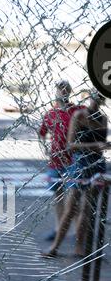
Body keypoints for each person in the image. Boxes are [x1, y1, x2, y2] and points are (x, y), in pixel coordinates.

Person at [42, 89, 108, 257]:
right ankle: (55, 247)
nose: (97, 100)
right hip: (80, 165)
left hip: (97, 165)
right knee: (71, 208)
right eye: (95, 96)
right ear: (90, 97)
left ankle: (80, 249)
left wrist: (104, 146)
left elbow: (102, 143)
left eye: (100, 97)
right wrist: (95, 147)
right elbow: (70, 145)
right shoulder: (79, 115)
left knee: (87, 209)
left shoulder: (103, 119)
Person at [39, 80, 84, 241]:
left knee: (74, 198)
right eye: (60, 90)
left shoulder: (78, 111)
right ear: (56, 92)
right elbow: (42, 133)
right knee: (58, 196)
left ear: (70, 92)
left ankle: (77, 232)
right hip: (56, 160)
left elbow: (92, 122)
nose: (63, 93)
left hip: (74, 160)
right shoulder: (50, 114)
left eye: (66, 90)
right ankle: (59, 229)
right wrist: (44, 148)